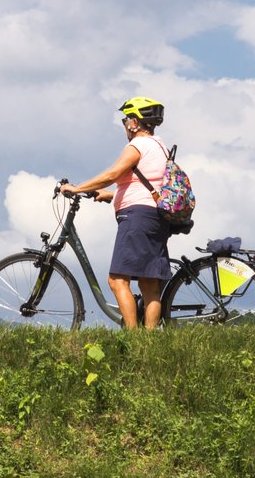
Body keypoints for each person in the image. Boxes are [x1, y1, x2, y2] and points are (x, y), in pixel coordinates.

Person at [59, 96, 172, 329]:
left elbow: (113, 174)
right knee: (149, 284)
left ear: (134, 122)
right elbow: (145, 185)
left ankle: (132, 338)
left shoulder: (137, 146)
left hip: (137, 219)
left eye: (126, 120)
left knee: (117, 280)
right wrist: (110, 195)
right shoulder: (159, 146)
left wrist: (77, 188)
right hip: (155, 217)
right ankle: (148, 344)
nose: (124, 125)